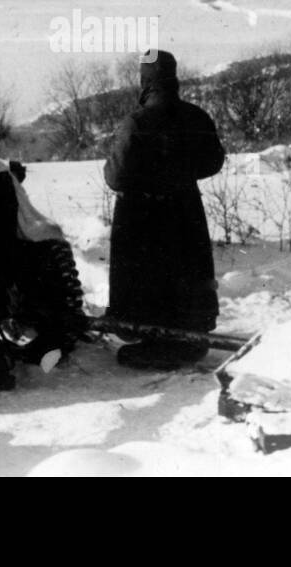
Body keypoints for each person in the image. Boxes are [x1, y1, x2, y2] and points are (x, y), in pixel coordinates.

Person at [104, 49, 225, 369]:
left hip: (142, 217)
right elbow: (213, 162)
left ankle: (157, 342)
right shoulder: (196, 116)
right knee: (188, 272)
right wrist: (179, 172)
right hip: (186, 210)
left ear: (144, 81)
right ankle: (190, 334)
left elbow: (116, 177)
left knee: (148, 279)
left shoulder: (136, 122)